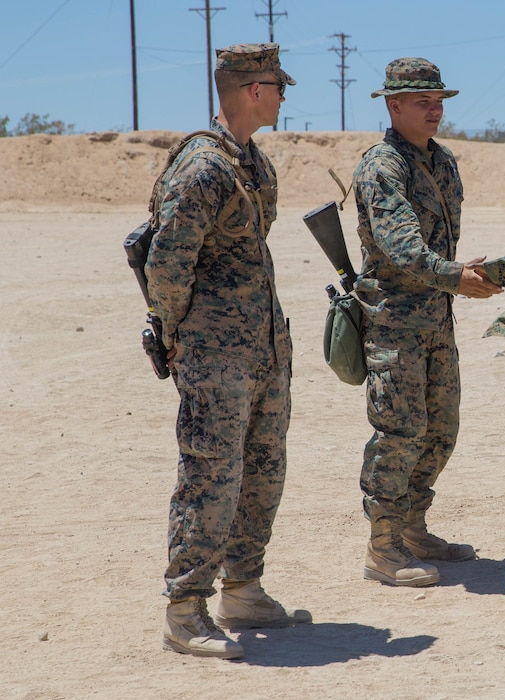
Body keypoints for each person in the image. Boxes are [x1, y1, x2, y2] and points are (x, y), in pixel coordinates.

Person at [146, 43, 310, 660]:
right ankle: (186, 609)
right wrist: (177, 333)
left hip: (262, 348)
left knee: (262, 471)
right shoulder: (204, 167)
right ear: (250, 91)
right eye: (277, 85)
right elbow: (166, 264)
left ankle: (242, 589)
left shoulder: (251, 164)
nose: (283, 96)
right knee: (210, 476)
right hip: (216, 355)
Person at [352, 58, 503, 588]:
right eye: (423, 101)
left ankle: (414, 527)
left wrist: (463, 275)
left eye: (438, 100)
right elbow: (400, 251)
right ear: (393, 106)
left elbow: (440, 248)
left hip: (436, 320)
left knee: (440, 430)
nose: (435, 109)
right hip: (395, 323)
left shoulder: (442, 162)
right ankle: (383, 546)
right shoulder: (382, 166)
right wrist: (454, 275)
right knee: (398, 433)